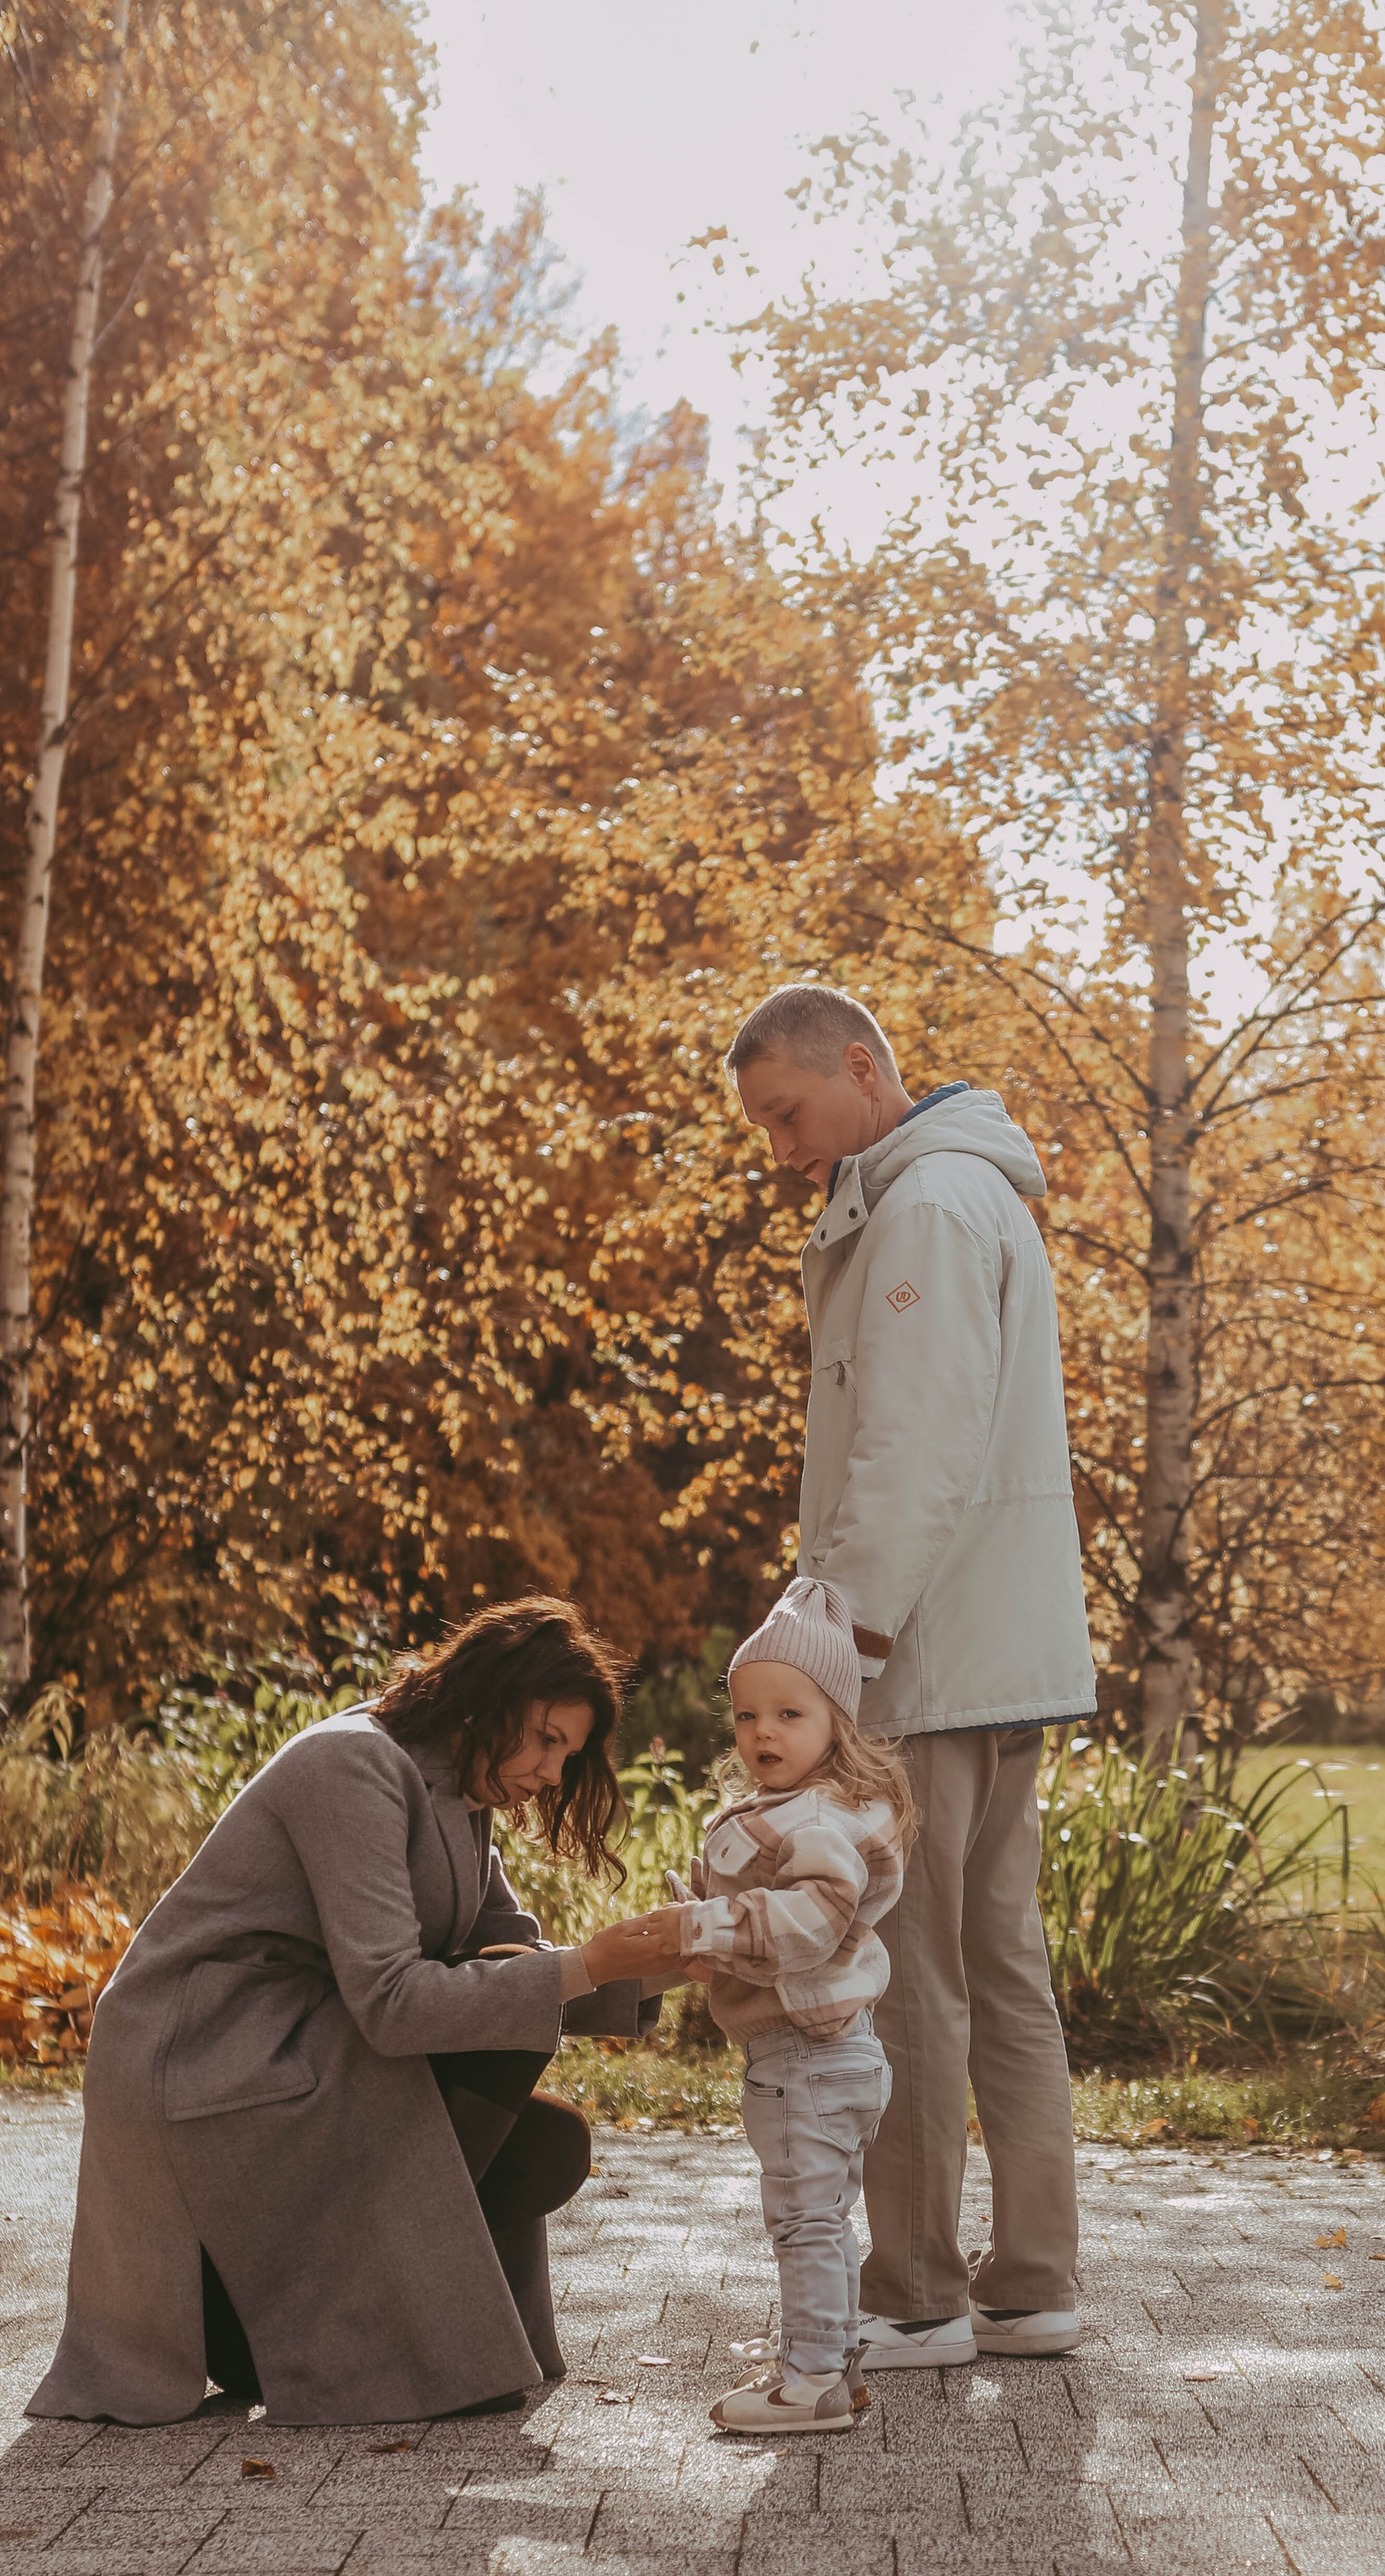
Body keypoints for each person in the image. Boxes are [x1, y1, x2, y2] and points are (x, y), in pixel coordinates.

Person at [28, 1598, 675, 2429]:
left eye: (569, 1754)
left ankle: (331, 2323)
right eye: (548, 1738)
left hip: (298, 2039)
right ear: (490, 1696)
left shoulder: (461, 1789)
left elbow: (516, 1951)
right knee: (513, 2048)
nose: (554, 1773)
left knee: (548, 2143)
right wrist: (589, 1964)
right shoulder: (352, 1765)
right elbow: (395, 2005)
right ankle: (318, 2333)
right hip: (204, 2049)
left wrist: (660, 1968)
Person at [725, 982, 1097, 2368]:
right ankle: (1036, 2281)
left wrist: (839, 1648)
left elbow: (915, 1454)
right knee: (1004, 1969)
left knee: (917, 1975)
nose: (778, 1148)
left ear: (863, 1069)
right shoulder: (965, 1193)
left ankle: (918, 2291)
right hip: (999, 1659)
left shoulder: (928, 1208)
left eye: (788, 1112)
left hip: (932, 1661)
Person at [626, 1576, 911, 2434]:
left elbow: (813, 1920)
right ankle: (838, 2365)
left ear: (836, 1720)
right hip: (833, 2057)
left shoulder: (817, 1819)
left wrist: (706, 1925)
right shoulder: (802, 1808)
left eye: (789, 1714)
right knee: (821, 2220)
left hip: (807, 2061)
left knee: (803, 2225)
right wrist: (705, 1919)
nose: (762, 1733)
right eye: (748, 1716)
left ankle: (811, 2383)